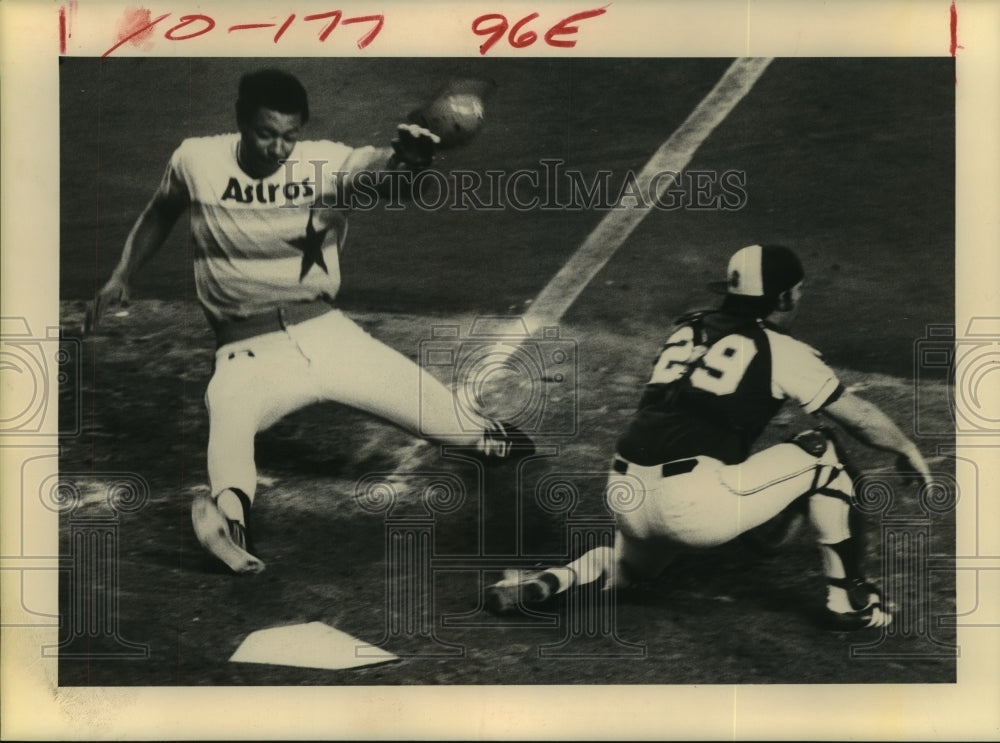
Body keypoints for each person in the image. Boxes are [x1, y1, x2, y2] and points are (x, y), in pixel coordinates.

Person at [86, 69, 531, 574]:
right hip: (247, 351)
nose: (278, 147)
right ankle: (230, 522)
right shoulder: (195, 160)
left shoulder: (323, 163)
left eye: (289, 135)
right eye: (266, 133)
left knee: (461, 431)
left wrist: (411, 163)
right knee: (227, 412)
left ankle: (484, 436)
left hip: (330, 336)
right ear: (240, 121)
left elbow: (383, 179)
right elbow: (161, 209)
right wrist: (123, 273)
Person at [486, 244, 933, 630]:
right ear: (782, 298)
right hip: (693, 506)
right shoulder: (781, 350)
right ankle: (849, 603)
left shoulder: (689, 328)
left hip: (624, 492)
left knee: (630, 568)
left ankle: (554, 581)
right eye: (797, 291)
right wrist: (906, 447)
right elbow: (859, 417)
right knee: (824, 453)